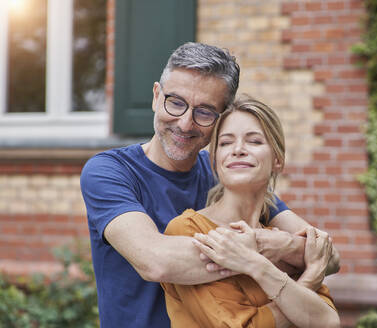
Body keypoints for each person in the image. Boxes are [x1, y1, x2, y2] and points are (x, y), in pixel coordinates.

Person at [80, 42, 340, 328]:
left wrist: (280, 243)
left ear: (222, 118)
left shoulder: (228, 174)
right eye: (175, 102)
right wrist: (267, 252)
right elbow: (155, 260)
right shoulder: (111, 171)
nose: (185, 123)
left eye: (204, 111)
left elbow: (328, 256)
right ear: (156, 96)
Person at [162, 95, 340, 328]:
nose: (238, 150)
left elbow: (328, 321)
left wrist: (255, 264)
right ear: (214, 161)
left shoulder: (278, 242)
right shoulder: (191, 230)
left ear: (277, 159)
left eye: (254, 141)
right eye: (225, 143)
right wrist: (309, 280)